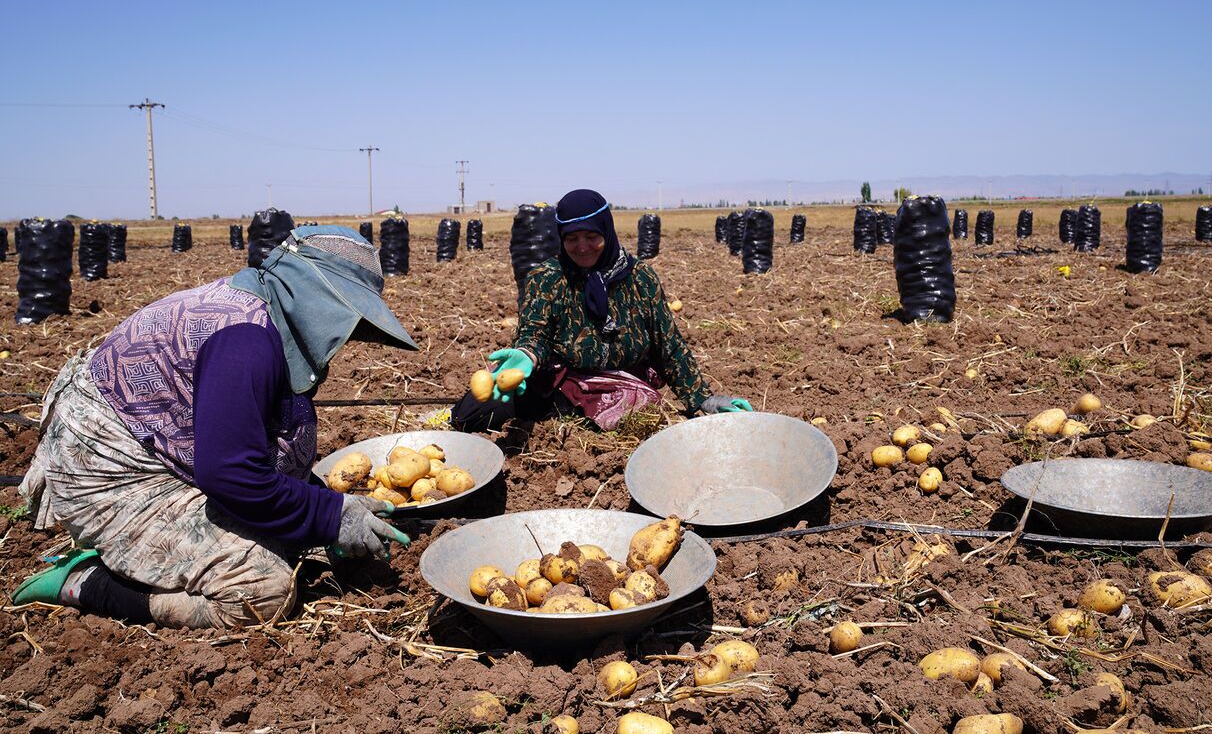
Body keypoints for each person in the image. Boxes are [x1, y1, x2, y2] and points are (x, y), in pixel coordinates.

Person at [14, 226, 415, 629]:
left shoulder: (265, 316)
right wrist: (331, 516)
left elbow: (247, 447)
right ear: (317, 298)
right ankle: (88, 583)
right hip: (113, 469)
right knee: (263, 592)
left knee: (292, 540)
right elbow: (231, 473)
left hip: (167, 450)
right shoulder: (244, 339)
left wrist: (324, 506)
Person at [452, 188, 751, 433]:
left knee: (623, 420)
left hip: (622, 381)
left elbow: (668, 345)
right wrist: (527, 354)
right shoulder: (547, 277)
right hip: (563, 378)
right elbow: (535, 334)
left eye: (591, 236)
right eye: (571, 238)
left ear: (606, 230)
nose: (582, 247)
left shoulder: (640, 278)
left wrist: (702, 398)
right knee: (469, 415)